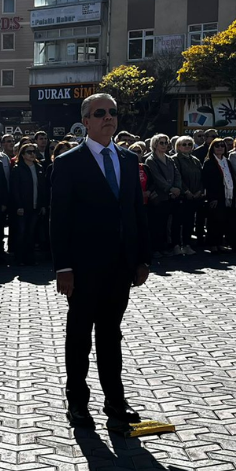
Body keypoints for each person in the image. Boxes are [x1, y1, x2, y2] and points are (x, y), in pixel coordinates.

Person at [50, 93, 150, 430]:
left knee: (111, 335)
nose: (108, 117)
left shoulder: (128, 159)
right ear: (86, 121)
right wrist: (63, 267)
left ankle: (115, 401)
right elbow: (59, 219)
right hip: (82, 269)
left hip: (120, 267)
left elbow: (136, 212)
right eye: (100, 113)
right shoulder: (68, 162)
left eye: (113, 112)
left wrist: (141, 259)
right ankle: (78, 403)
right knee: (79, 337)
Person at [144, 134, 181, 257]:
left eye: (166, 143)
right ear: (155, 144)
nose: (165, 145)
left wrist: (177, 188)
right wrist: (170, 188)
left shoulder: (169, 159)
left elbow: (177, 174)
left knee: (168, 224)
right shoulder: (151, 160)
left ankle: (166, 247)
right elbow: (157, 178)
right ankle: (156, 248)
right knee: (158, 224)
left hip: (172, 196)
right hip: (160, 197)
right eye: (161, 143)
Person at [9, 143, 46, 266]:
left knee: (31, 233)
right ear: (23, 155)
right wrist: (18, 206)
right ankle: (20, 258)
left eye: (34, 151)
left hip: (36, 206)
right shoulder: (17, 169)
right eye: (29, 152)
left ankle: (30, 258)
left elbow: (42, 188)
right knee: (21, 232)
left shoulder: (39, 167)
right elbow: (15, 189)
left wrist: (42, 205)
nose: (32, 154)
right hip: (23, 207)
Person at [172, 136, 203, 255]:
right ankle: (176, 245)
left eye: (189, 144)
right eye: (184, 144)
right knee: (177, 221)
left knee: (189, 222)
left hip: (195, 196)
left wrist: (199, 190)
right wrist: (186, 191)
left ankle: (187, 244)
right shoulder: (175, 159)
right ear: (178, 146)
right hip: (182, 196)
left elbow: (201, 176)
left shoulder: (195, 160)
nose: (187, 146)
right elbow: (177, 176)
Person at [201, 138, 233, 253]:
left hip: (226, 195)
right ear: (212, 148)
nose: (220, 148)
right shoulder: (209, 162)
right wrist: (212, 197)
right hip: (215, 196)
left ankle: (220, 242)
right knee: (213, 221)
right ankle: (212, 243)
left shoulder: (227, 161)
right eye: (217, 146)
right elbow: (207, 182)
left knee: (222, 221)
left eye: (222, 146)